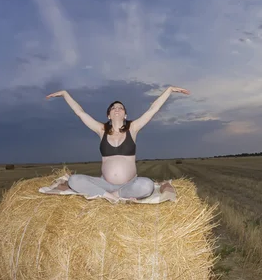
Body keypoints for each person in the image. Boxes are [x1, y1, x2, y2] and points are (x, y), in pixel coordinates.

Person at [45, 86, 190, 202]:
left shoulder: (133, 128)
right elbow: (80, 112)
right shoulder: (101, 130)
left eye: (120, 108)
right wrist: (65, 94)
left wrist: (169, 90)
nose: (117, 109)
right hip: (104, 183)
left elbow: (153, 109)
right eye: (113, 108)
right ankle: (109, 195)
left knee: (147, 185)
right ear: (108, 115)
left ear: (125, 115)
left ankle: (115, 194)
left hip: (129, 185)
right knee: (74, 180)